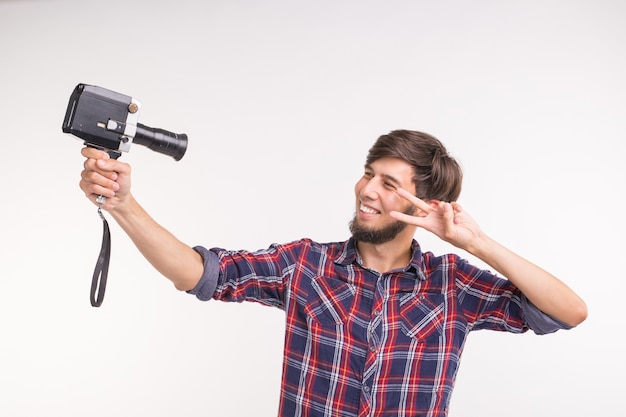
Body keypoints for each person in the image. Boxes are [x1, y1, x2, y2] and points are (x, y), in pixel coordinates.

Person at [79, 129, 587, 417]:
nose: (367, 190)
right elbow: (197, 273)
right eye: (369, 173)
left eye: (389, 184)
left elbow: (568, 312)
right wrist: (123, 204)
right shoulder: (306, 266)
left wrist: (474, 242)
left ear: (425, 204)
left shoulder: (451, 284)